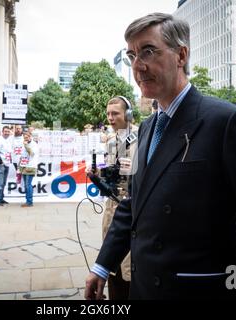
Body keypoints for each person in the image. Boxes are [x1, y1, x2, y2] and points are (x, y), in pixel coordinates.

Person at [85, 12, 236, 300]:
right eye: (132, 55)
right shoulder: (146, 128)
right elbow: (133, 204)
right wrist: (103, 265)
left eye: (148, 51)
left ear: (181, 55)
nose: (138, 66)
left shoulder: (228, 122)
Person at [99, 96, 139, 300]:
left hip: (133, 211)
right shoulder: (111, 142)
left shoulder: (142, 137)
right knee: (111, 266)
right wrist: (99, 177)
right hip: (111, 209)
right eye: (108, 114)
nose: (110, 118)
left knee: (131, 272)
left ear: (128, 114)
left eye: (115, 113)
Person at [19, 131, 39, 208]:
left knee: (28, 185)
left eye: (27, 137)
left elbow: (32, 153)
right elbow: (22, 155)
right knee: (26, 185)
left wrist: (26, 145)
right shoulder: (23, 144)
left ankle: (29, 202)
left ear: (30, 136)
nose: (26, 138)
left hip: (30, 167)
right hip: (24, 166)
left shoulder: (34, 144)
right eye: (24, 137)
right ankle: (27, 201)